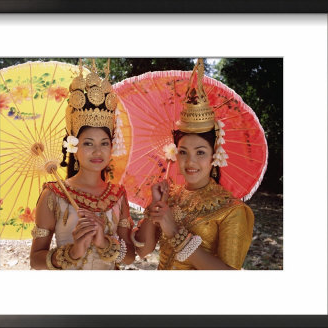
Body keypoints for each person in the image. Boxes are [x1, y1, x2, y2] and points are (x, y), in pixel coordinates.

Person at [133, 59, 254, 270]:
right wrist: (154, 206)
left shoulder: (232, 210)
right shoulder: (170, 196)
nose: (190, 162)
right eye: (183, 152)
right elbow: (142, 251)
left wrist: (173, 231)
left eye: (200, 152)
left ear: (214, 155)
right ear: (175, 154)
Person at [30, 60, 135, 270]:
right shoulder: (53, 194)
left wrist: (103, 242)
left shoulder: (118, 194)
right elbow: (35, 259)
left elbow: (130, 257)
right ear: (73, 147)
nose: (98, 151)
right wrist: (73, 251)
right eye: (88, 143)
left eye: (104, 143)